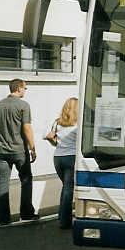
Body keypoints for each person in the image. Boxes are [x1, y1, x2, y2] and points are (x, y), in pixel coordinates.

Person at [0, 78, 37, 225]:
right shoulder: (23, 105)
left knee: (3, 183)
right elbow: (26, 128)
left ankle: (3, 218)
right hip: (19, 149)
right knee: (26, 180)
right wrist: (32, 147)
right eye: (25, 88)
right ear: (18, 88)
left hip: (2, 150)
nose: (25, 90)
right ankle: (26, 213)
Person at [48, 97, 78, 229]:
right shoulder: (78, 124)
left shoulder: (57, 122)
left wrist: (58, 143)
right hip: (71, 158)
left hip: (58, 158)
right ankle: (65, 221)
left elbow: (51, 138)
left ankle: (62, 217)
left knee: (66, 187)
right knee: (68, 190)